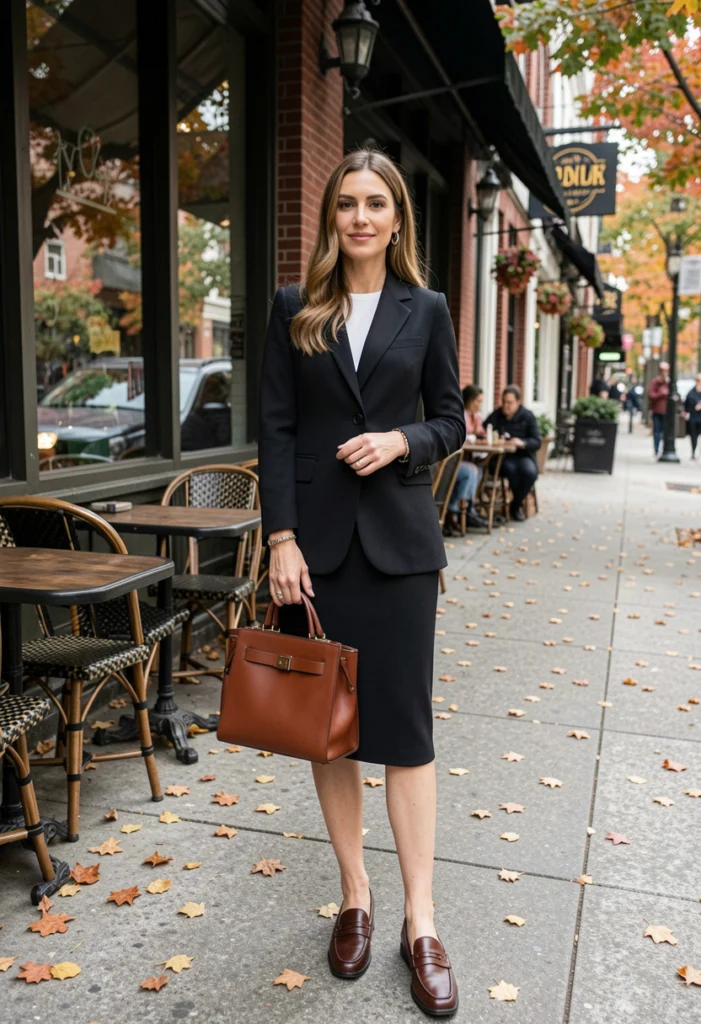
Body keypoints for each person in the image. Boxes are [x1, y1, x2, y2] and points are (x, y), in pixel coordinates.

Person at [258, 148, 464, 1016]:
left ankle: (421, 918)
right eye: (347, 203)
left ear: (397, 217)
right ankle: (356, 896)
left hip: (401, 552)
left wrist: (400, 442)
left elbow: (451, 417)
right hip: (319, 553)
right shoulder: (294, 307)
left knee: (405, 735)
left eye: (376, 203)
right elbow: (274, 425)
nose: (361, 218)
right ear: (331, 217)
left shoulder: (429, 308)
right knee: (329, 730)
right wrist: (279, 537)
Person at [483, 385, 541, 522]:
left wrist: (522, 442)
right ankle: (516, 506)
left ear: (518, 402)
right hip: (502, 457)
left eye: (509, 403)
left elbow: (537, 441)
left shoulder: (528, 416)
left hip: (523, 455)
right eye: (503, 402)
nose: (506, 406)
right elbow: (484, 428)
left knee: (530, 472)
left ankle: (515, 504)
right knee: (510, 469)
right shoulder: (497, 415)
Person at [444, 384, 488, 534]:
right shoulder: (460, 415)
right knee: (471, 471)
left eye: (481, 402)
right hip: (451, 460)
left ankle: (468, 508)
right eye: (477, 401)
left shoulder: (475, 417)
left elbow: (481, 434)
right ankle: (454, 511)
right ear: (469, 400)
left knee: (478, 470)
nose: (479, 405)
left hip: (466, 458)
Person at [648, 362, 671, 458]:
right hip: (657, 411)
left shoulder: (669, 382)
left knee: (664, 432)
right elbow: (651, 395)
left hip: (667, 411)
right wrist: (661, 393)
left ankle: (663, 449)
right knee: (657, 431)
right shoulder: (655, 382)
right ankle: (657, 449)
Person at [683, 373, 701, 459]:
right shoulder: (691, 393)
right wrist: (694, 407)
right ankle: (693, 451)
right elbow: (687, 405)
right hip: (694, 418)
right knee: (693, 436)